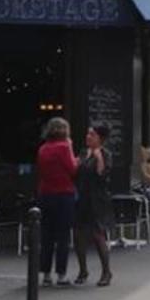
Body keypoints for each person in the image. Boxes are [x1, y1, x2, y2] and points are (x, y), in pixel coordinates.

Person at [35, 116, 79, 286]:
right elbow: (72, 169)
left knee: (46, 235)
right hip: (63, 194)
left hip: (45, 194)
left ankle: (45, 274)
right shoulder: (64, 147)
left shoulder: (43, 148)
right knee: (63, 236)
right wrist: (76, 158)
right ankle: (61, 274)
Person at [73, 124, 115, 287]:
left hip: (97, 200)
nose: (88, 137)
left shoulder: (105, 154)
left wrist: (99, 159)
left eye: (92, 135)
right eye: (88, 134)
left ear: (100, 138)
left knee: (98, 235)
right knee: (78, 235)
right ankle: (83, 270)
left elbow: (102, 175)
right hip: (81, 198)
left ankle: (106, 272)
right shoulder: (83, 153)